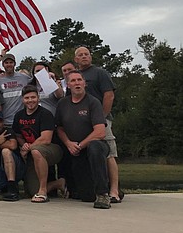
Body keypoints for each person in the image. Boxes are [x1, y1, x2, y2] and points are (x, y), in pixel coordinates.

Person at [55, 70, 111, 209]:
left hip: (94, 147)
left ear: (84, 83)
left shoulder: (93, 102)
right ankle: (79, 189)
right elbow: (60, 128)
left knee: (95, 146)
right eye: (73, 81)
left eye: (79, 80)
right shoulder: (62, 104)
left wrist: (80, 145)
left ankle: (103, 194)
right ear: (68, 85)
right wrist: (68, 143)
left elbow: (100, 132)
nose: (77, 83)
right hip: (75, 150)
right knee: (86, 197)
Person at [74, 46, 122, 203]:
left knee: (109, 153)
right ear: (76, 59)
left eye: (86, 54)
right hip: (82, 121)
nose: (84, 57)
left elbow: (109, 95)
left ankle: (114, 190)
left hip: (101, 120)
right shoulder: (76, 76)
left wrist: (102, 117)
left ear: (91, 57)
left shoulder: (100, 73)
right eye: (80, 55)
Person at [13, 85, 65, 203]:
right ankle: (58, 183)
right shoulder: (19, 116)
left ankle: (43, 191)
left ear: (38, 98)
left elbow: (46, 139)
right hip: (32, 151)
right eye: (27, 98)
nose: (30, 100)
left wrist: (29, 148)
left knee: (37, 151)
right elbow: (18, 135)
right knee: (31, 190)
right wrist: (24, 145)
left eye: (33, 97)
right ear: (22, 99)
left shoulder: (45, 114)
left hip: (51, 150)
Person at [0, 53, 31, 126]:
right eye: (6, 63)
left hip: (23, 120)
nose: (9, 65)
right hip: (6, 122)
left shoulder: (24, 78)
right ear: (3, 64)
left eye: (11, 62)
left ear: (14, 64)